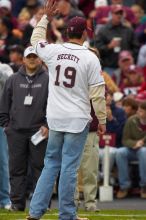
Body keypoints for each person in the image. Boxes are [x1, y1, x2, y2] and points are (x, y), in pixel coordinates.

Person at [27, 1, 106, 220]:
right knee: (70, 167)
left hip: (55, 118)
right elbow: (98, 94)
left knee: (50, 165)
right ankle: (67, 214)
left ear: (68, 31)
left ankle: (35, 212)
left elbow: (35, 41)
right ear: (84, 34)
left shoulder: (53, 51)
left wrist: (45, 18)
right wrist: (102, 120)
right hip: (77, 119)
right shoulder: (90, 56)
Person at [0, 46, 49, 211]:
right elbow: (4, 105)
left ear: (40, 59)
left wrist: (48, 125)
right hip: (16, 132)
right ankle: (17, 204)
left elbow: (54, 105)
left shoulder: (48, 78)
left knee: (40, 169)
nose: (32, 59)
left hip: (39, 131)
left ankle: (42, 205)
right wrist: (6, 126)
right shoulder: (13, 79)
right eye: (29, 57)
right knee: (16, 170)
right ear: (23, 59)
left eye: (35, 56)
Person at [95, 4, 139, 75]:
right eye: (116, 13)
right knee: (110, 86)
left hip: (127, 67)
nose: (119, 15)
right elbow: (97, 50)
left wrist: (130, 55)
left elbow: (136, 47)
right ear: (111, 14)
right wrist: (109, 46)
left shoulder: (128, 30)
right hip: (110, 67)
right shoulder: (103, 30)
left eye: (121, 13)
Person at [116, 101, 146, 199]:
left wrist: (142, 144)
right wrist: (135, 144)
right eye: (138, 110)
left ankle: (144, 186)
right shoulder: (131, 120)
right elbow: (125, 140)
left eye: (141, 111)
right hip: (132, 149)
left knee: (143, 152)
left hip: (143, 151)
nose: (138, 112)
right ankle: (124, 186)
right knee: (120, 152)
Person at [0, 63, 13, 210]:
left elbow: (9, 83)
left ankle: (4, 199)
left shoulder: (5, 68)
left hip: (1, 122)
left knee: (3, 161)